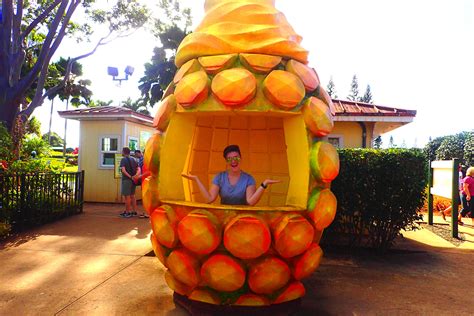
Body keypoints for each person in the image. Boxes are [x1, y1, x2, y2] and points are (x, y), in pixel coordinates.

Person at [182, 145, 280, 206]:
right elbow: (209, 199)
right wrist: (196, 180)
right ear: (226, 162)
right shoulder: (219, 177)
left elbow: (250, 202)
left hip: (243, 217)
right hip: (224, 217)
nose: (233, 161)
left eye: (236, 158)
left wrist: (264, 184)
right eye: (229, 159)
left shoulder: (249, 179)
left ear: (240, 158)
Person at [119, 147, 141, 218]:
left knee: (127, 197)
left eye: (122, 151)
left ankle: (127, 212)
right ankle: (134, 211)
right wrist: (135, 176)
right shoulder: (134, 159)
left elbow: (123, 170)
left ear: (124, 152)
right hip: (133, 180)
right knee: (133, 196)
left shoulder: (123, 160)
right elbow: (138, 169)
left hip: (126, 180)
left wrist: (130, 176)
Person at [133, 149, 149, 218]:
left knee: (147, 198)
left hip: (147, 182)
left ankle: (147, 213)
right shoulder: (145, 161)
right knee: (145, 198)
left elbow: (149, 172)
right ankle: (145, 212)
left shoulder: (147, 162)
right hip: (144, 181)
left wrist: (139, 176)